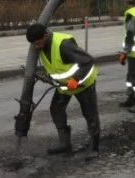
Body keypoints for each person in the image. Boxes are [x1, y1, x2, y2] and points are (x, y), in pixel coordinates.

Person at [26, 23, 100, 160]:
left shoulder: (63, 45)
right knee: (56, 108)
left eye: (37, 43)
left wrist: (76, 79)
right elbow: (55, 65)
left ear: (45, 36)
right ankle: (65, 143)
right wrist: (46, 76)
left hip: (83, 84)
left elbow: (88, 61)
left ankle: (94, 148)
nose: (36, 47)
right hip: (64, 86)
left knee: (90, 113)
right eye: (33, 45)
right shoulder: (42, 46)